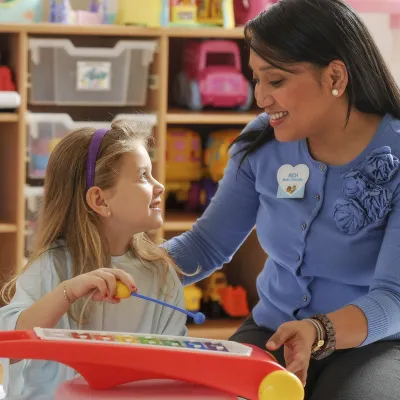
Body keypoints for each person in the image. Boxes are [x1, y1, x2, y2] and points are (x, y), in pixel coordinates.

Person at [164, 0, 400, 399]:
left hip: (373, 345)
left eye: (274, 81)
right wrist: (131, 269)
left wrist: (318, 331)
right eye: (255, 80)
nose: (260, 98)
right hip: (272, 334)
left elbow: (394, 296)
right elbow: (207, 244)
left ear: (335, 76)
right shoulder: (261, 143)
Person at [0, 120, 187, 399]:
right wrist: (69, 291)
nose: (159, 186)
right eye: (143, 176)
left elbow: (175, 368)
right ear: (100, 200)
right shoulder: (53, 265)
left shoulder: (162, 274)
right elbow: (11, 346)